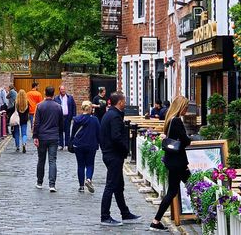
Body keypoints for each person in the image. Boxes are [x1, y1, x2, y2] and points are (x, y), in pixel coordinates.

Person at [149, 95, 192, 231]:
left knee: (176, 190)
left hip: (172, 161)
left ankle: (156, 221)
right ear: (181, 107)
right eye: (186, 107)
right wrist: (190, 139)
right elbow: (184, 141)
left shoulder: (170, 119)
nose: (186, 110)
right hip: (178, 162)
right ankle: (208, 215)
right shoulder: (177, 120)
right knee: (194, 187)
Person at [99, 91, 141, 226]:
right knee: (111, 185)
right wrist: (125, 149)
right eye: (124, 100)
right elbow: (116, 137)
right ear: (120, 102)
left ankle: (125, 213)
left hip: (110, 153)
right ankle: (105, 216)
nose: (125, 103)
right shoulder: (114, 117)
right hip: (113, 155)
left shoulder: (109, 114)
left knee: (118, 186)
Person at [33, 86, 63, 192]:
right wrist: (59, 135)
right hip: (53, 136)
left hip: (42, 136)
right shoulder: (58, 107)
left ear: (45, 93)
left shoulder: (40, 106)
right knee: (52, 160)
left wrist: (35, 136)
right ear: (53, 93)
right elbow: (61, 123)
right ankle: (52, 184)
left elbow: (36, 123)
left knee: (41, 160)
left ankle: (39, 182)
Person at [71, 101, 100, 193]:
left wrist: (70, 142)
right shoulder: (95, 120)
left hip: (78, 145)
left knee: (80, 165)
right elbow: (99, 133)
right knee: (90, 164)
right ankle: (88, 179)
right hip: (91, 144)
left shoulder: (76, 119)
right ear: (90, 108)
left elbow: (73, 133)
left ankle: (81, 186)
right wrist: (99, 143)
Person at [54, 85, 77, 150]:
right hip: (59, 117)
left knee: (67, 131)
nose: (63, 90)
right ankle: (60, 144)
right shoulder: (56, 98)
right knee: (60, 131)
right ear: (59, 90)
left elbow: (74, 107)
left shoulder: (70, 98)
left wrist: (74, 116)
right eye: (61, 89)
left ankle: (67, 144)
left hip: (68, 117)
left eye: (64, 89)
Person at [13, 89, 30, 153]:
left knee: (16, 133)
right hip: (24, 119)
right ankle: (24, 143)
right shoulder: (27, 102)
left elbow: (13, 110)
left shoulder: (16, 102)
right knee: (24, 133)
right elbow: (28, 111)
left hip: (17, 119)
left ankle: (17, 146)